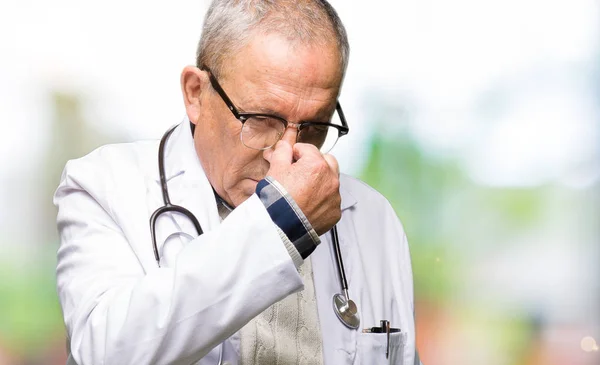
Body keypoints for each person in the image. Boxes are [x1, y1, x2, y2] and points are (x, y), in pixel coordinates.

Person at [54, 1, 421, 364]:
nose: (285, 152)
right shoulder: (103, 185)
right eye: (261, 119)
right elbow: (103, 353)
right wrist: (284, 223)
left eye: (315, 126)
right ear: (195, 93)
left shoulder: (373, 217)